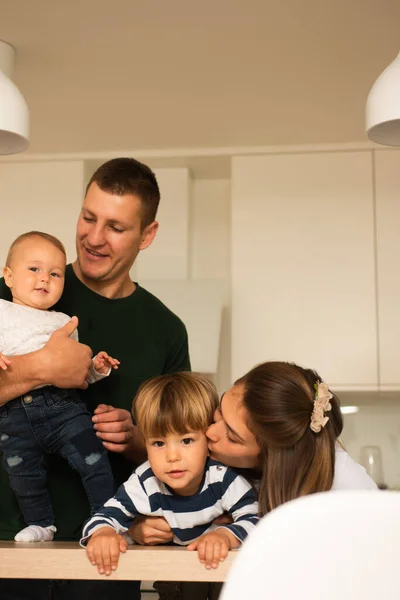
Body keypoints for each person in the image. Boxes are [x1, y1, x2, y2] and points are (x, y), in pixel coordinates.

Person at [0, 158, 190, 600]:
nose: (94, 238)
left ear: (148, 235)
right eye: (88, 218)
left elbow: (187, 448)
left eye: (116, 227)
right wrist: (42, 369)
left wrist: (141, 439)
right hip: (6, 543)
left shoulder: (167, 330)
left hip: (106, 556)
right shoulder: (14, 291)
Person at [131, 361, 377, 549]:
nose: (210, 432)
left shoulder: (349, 488)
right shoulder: (207, 461)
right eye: (218, 412)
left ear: (273, 458)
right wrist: (137, 528)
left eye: (232, 436)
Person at [0, 231, 120, 543]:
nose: (45, 279)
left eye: (55, 273)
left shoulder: (64, 321)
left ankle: (106, 519)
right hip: (12, 417)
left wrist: (97, 368)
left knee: (93, 460)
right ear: (8, 276)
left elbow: (78, 375)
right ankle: (41, 524)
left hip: (62, 408)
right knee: (23, 477)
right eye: (34, 269)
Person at [81, 372, 258, 576]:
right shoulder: (145, 481)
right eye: (158, 443)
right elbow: (102, 518)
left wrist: (226, 536)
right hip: (172, 573)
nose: (172, 456)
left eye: (186, 441)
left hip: (219, 571)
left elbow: (256, 519)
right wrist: (103, 533)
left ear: (207, 438)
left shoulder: (221, 477)